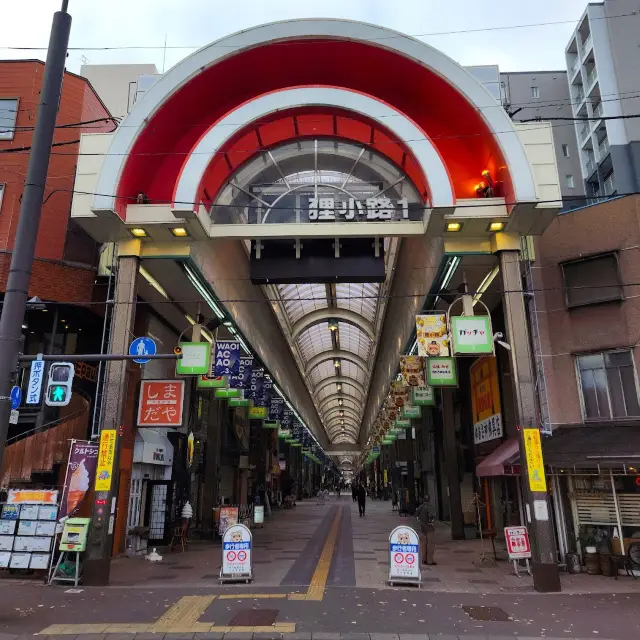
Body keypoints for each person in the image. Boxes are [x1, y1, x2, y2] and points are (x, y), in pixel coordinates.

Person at [416, 495, 436, 565]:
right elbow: (431, 516)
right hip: (429, 528)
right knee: (430, 544)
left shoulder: (420, 507)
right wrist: (431, 523)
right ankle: (430, 560)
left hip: (422, 528)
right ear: (429, 500)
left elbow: (417, 516)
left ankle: (424, 559)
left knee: (423, 544)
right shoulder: (430, 507)